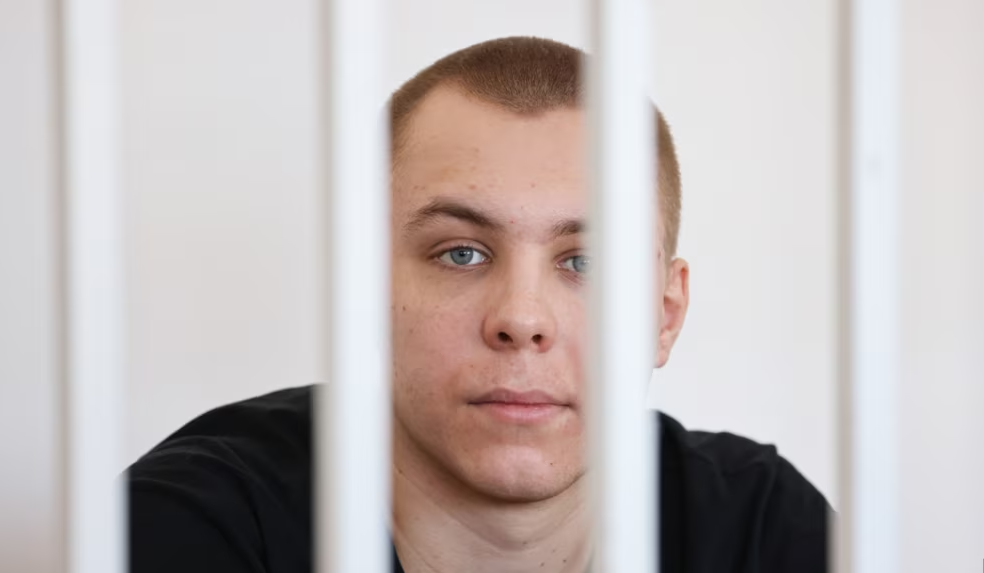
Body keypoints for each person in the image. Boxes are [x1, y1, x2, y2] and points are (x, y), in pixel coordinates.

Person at [128, 37, 829, 572]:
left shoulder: (760, 531)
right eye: (461, 253)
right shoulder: (194, 524)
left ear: (665, 316)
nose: (521, 318)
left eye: (585, 262)